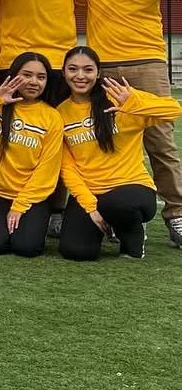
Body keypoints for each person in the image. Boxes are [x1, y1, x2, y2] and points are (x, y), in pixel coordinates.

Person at [76, 0, 182, 247]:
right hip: (102, 65)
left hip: (147, 61)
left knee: (160, 142)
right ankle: (115, 214)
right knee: (103, 142)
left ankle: (177, 214)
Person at [54, 46, 182, 261]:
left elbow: (174, 110)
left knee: (120, 205)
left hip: (131, 188)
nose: (80, 76)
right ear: (64, 73)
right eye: (73, 69)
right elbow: (67, 167)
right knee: (76, 251)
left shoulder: (119, 98)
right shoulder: (60, 112)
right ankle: (107, 220)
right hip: (92, 191)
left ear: (98, 72)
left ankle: (132, 234)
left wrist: (133, 103)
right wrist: (90, 206)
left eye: (88, 70)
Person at [0, 53, 63, 257]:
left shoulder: (52, 117)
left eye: (41, 77)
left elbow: (46, 171)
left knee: (27, 248)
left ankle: (38, 222)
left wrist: (19, 206)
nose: (34, 82)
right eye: (27, 75)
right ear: (14, 75)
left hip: (31, 196)